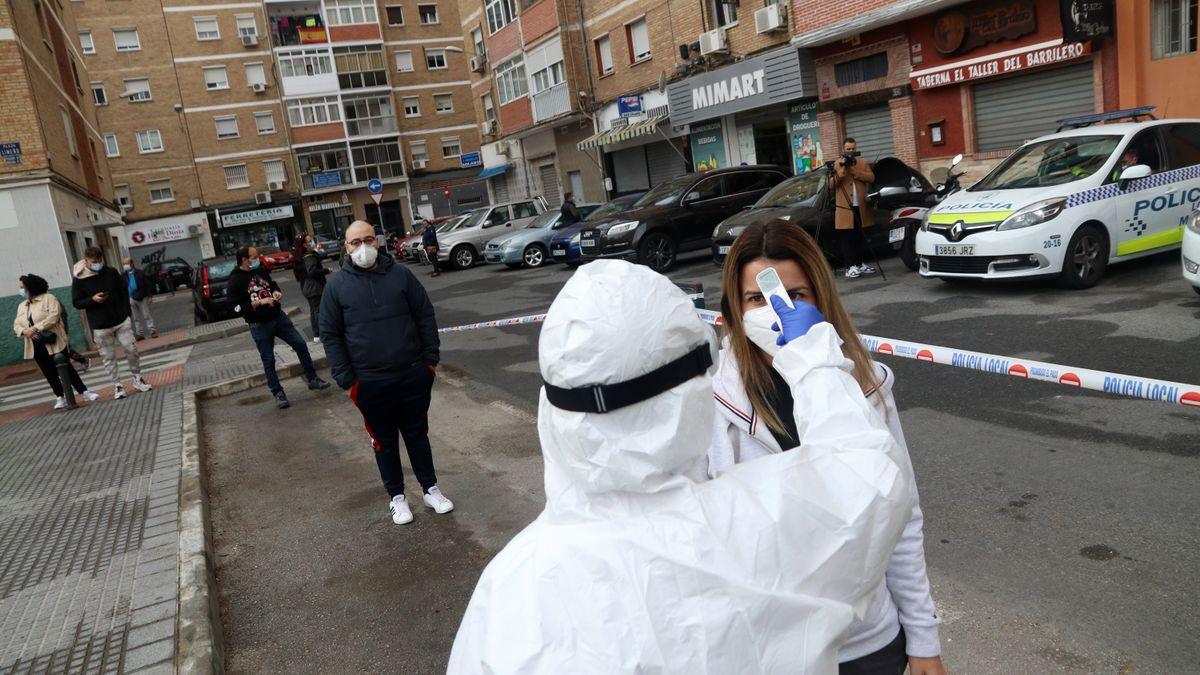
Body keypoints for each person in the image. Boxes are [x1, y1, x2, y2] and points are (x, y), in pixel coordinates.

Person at [448, 260, 913, 673]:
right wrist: (814, 360)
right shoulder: (750, 531)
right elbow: (869, 475)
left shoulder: (510, 590)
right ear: (693, 392)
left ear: (555, 409)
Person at [711, 220, 944, 675]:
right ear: (736, 308)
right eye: (758, 298)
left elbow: (901, 517)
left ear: (821, 298)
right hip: (769, 653)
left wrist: (923, 638)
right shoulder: (711, 402)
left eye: (794, 295)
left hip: (867, 644)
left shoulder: (866, 384)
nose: (778, 310)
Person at [320, 221, 453, 525]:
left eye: (368, 239)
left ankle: (431, 489)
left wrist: (429, 361)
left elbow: (424, 315)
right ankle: (397, 497)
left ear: (378, 241)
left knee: (418, 435)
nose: (363, 247)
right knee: (384, 442)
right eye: (356, 242)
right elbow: (331, 334)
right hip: (369, 382)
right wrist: (347, 380)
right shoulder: (336, 286)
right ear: (346, 247)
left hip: (412, 375)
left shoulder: (401, 275)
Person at [228, 245, 330, 409]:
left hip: (278, 318)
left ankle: (312, 378)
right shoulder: (235, 280)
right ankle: (278, 392)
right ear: (244, 260)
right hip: (259, 325)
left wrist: (276, 292)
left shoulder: (260, 269)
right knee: (268, 360)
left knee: (300, 345)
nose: (258, 258)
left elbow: (272, 284)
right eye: (254, 256)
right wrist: (258, 302)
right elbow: (235, 308)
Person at [71, 246, 152, 400]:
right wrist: (92, 300)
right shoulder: (79, 278)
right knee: (108, 356)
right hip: (100, 324)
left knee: (131, 348)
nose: (98, 264)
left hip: (120, 319)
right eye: (95, 262)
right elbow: (76, 302)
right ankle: (118, 385)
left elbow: (123, 290)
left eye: (100, 261)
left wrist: (127, 314)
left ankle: (137, 378)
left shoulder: (111, 272)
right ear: (86, 261)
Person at [13, 274, 99, 409]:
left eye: (22, 287)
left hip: (53, 341)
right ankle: (60, 397)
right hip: (35, 344)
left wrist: (35, 328)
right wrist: (24, 332)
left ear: (31, 286)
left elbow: (54, 316)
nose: (21, 290)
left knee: (67, 369)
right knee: (48, 372)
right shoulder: (22, 305)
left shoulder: (49, 298)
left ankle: (84, 392)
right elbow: (17, 324)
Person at [829, 137, 877, 279]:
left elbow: (871, 177)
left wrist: (857, 173)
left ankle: (859, 263)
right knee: (847, 239)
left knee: (860, 237)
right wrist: (843, 169)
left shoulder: (862, 162)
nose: (851, 151)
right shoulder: (837, 163)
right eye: (848, 149)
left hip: (860, 206)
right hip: (845, 208)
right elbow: (830, 185)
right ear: (843, 149)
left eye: (853, 149)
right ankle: (850, 267)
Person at [298, 236, 329, 343]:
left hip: (308, 287)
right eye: (309, 241)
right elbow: (312, 272)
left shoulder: (303, 256)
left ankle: (317, 335)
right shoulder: (309, 256)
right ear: (304, 245)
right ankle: (321, 334)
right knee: (318, 311)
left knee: (314, 311)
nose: (312, 242)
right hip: (314, 287)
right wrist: (326, 270)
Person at [122, 258, 157, 340]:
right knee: (135, 318)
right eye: (123, 264)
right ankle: (139, 334)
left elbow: (147, 284)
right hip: (130, 298)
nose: (125, 266)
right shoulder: (123, 275)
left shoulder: (140, 273)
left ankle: (152, 331)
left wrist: (150, 296)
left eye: (126, 264)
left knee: (146, 315)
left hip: (141, 297)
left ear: (132, 263)